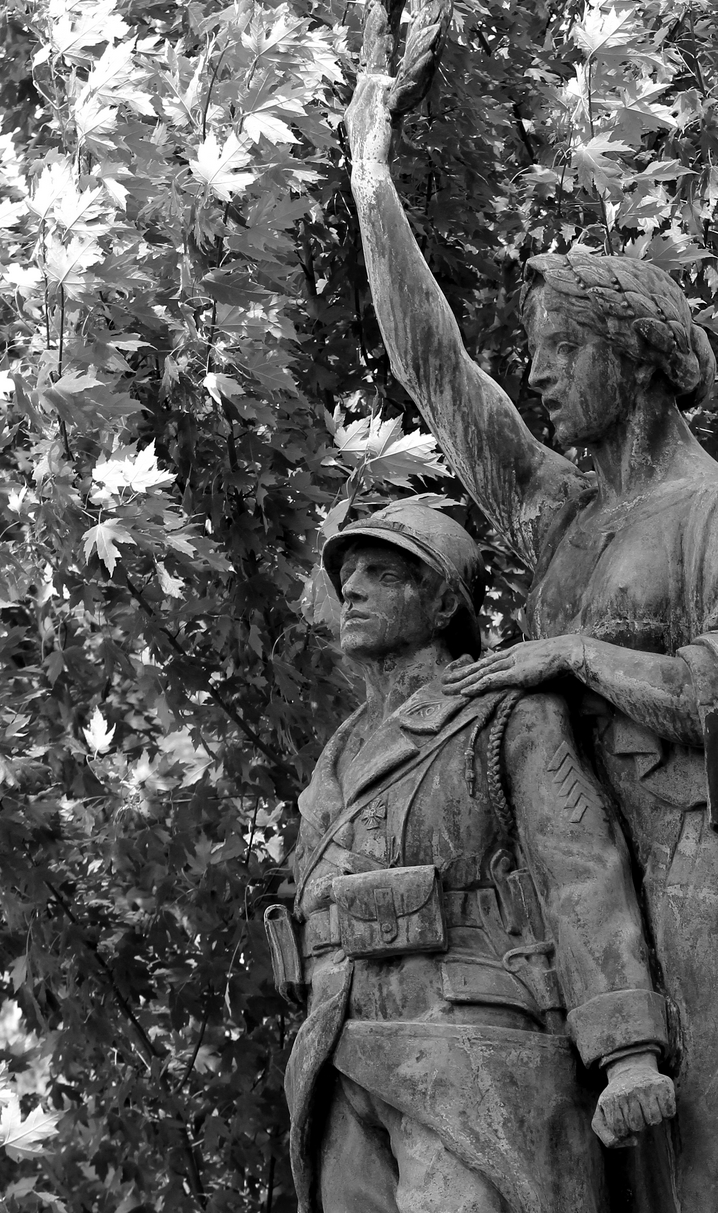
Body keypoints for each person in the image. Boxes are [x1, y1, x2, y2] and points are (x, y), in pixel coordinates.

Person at [345, 71, 718, 1213]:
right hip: (577, 898)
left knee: (713, 1178)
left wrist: (575, 658)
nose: (538, 372)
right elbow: (438, 372)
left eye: (560, 347)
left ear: (635, 358)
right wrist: (371, 185)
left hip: (707, 878)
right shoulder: (561, 514)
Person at [271, 499, 677, 1213]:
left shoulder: (505, 713)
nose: (352, 589)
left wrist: (627, 1055)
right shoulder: (336, 755)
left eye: (382, 573)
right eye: (348, 575)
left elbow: (581, 874)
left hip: (470, 1048)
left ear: (442, 605)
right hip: (337, 1055)